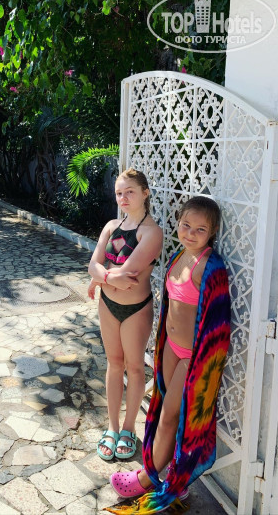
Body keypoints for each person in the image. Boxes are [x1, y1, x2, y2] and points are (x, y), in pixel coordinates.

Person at [107, 196, 231, 514]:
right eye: (186, 225)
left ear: (212, 232)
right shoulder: (178, 256)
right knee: (164, 410)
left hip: (192, 357)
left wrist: (200, 363)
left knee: (169, 418)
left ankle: (148, 478)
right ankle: (175, 475)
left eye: (200, 229)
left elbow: (217, 325)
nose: (190, 233)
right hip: (171, 349)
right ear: (178, 222)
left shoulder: (211, 266)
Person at [88, 168, 163, 461]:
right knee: (114, 364)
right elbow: (93, 265)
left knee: (134, 367)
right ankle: (112, 427)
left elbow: (128, 274)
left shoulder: (152, 233)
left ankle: (129, 428)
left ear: (145, 193)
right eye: (119, 193)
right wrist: (106, 277)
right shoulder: (111, 226)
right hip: (107, 305)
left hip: (136, 309)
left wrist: (100, 276)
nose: (123, 198)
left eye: (130, 191)